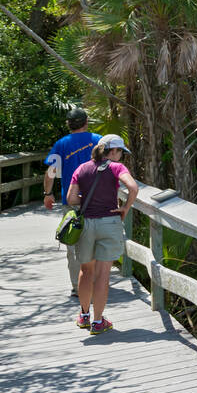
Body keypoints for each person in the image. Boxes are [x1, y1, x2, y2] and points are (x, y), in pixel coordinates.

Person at [67, 134, 139, 336]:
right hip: (109, 223)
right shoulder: (117, 168)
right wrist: (125, 207)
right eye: (121, 152)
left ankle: (84, 315)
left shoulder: (82, 168)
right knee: (103, 275)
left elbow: (71, 198)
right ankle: (98, 322)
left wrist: (89, 202)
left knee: (86, 271)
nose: (121, 157)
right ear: (113, 151)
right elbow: (133, 187)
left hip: (86, 224)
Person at [43, 108, 102, 298]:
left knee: (73, 243)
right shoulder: (99, 140)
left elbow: (51, 172)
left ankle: (78, 287)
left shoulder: (61, 144)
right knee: (97, 241)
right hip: (98, 201)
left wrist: (48, 193)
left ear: (68, 124)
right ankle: (95, 282)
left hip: (72, 202)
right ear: (86, 121)